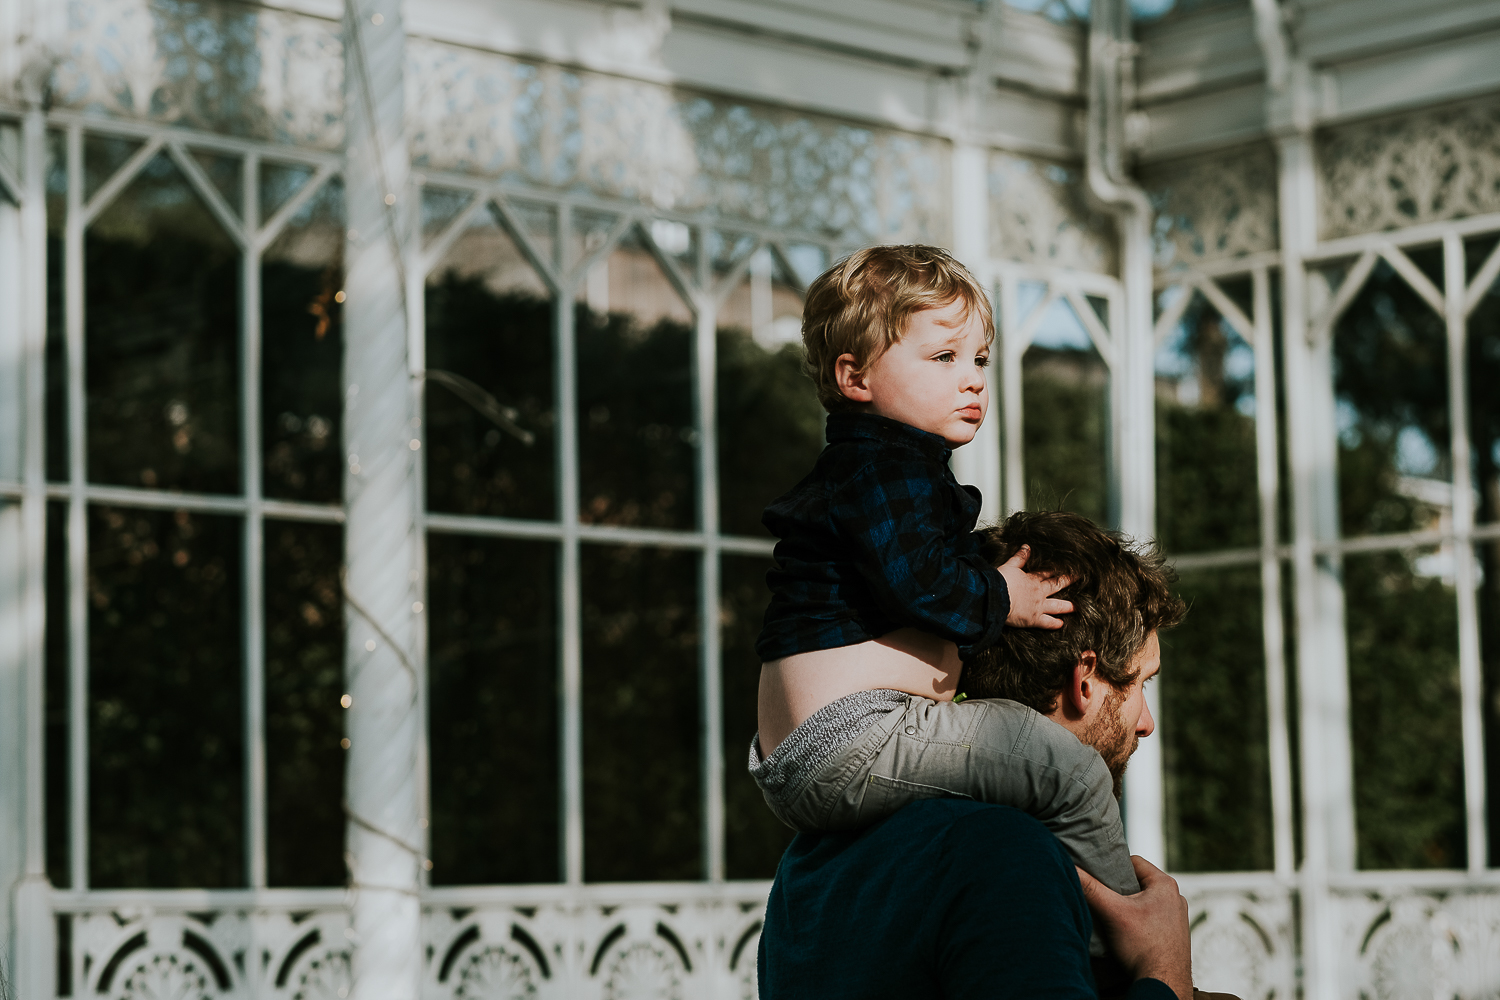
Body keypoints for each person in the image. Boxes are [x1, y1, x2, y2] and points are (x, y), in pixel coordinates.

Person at [751, 246, 1146, 908]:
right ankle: (1126, 933)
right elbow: (921, 584)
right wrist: (1006, 596)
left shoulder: (882, 470)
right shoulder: (883, 469)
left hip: (821, 747)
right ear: (855, 377)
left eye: (980, 360)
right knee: (1069, 770)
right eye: (943, 358)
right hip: (852, 736)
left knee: (1011, 778)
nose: (973, 380)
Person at [758, 511, 1198, 1000]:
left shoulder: (810, 862)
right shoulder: (1007, 855)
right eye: (1141, 684)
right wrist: (1166, 972)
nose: (1147, 723)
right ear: (1086, 679)